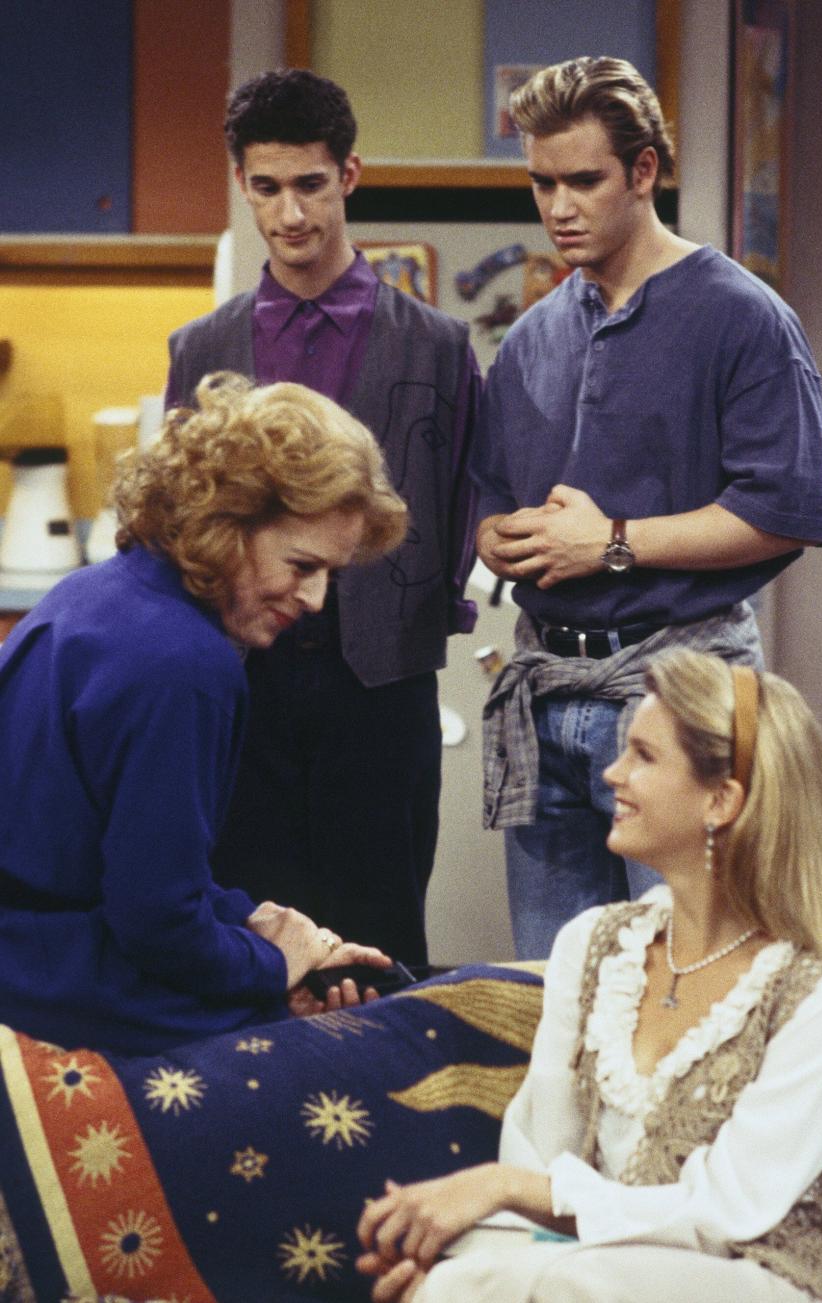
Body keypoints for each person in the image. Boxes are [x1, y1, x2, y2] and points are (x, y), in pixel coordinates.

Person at [356, 648, 822, 1303]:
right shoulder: (594, 945)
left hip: (762, 1278)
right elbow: (538, 1155)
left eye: (644, 756)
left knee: (556, 1278)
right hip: (598, 1261)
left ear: (722, 798)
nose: (612, 773)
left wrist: (502, 1196)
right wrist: (464, 1250)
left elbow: (724, 1212)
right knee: (472, 1261)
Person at [472, 56, 822, 960]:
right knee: (562, 999)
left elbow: (784, 509)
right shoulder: (532, 336)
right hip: (547, 696)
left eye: (583, 180)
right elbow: (490, 494)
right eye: (541, 183)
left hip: (679, 695)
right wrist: (496, 535)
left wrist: (614, 544)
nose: (559, 206)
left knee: (694, 987)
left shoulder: (741, 316)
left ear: (644, 173)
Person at [165, 69, 481, 967]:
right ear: (243, 185)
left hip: (378, 687)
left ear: (350, 175)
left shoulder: (437, 344)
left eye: (310, 184)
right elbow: (180, 516)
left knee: (380, 941)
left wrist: (427, 617)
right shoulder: (201, 349)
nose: (291, 213)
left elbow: (460, 494)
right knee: (249, 932)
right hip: (242, 681)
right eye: (267, 187)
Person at [0, 373, 407, 1056]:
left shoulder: (96, 592)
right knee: (352, 1059)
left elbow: (112, 862)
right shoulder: (186, 665)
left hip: (33, 947)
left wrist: (258, 924)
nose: (314, 598)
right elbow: (156, 922)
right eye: (302, 564)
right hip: (50, 978)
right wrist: (276, 966)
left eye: (331, 575)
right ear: (228, 525)